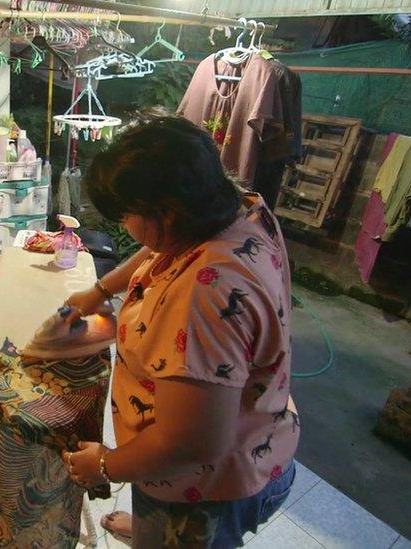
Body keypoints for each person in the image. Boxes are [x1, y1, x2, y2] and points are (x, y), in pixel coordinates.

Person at [61, 114, 300, 548]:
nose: (128, 226)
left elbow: (190, 442)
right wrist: (101, 289)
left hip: (207, 489)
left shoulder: (205, 296)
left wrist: (106, 465)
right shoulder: (236, 206)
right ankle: (152, 530)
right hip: (262, 428)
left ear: (167, 213)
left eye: (130, 215)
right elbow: (160, 248)